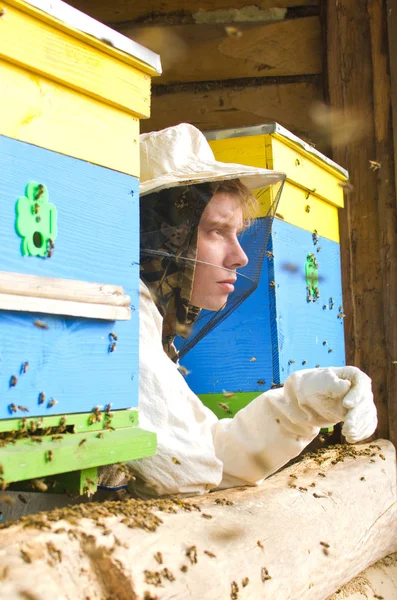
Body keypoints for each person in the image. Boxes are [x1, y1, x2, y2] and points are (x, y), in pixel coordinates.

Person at [99, 123, 377, 498]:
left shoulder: (156, 322)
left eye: (238, 232)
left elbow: (208, 451)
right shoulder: (122, 318)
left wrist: (308, 402)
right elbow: (191, 469)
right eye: (216, 231)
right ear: (167, 235)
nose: (241, 256)